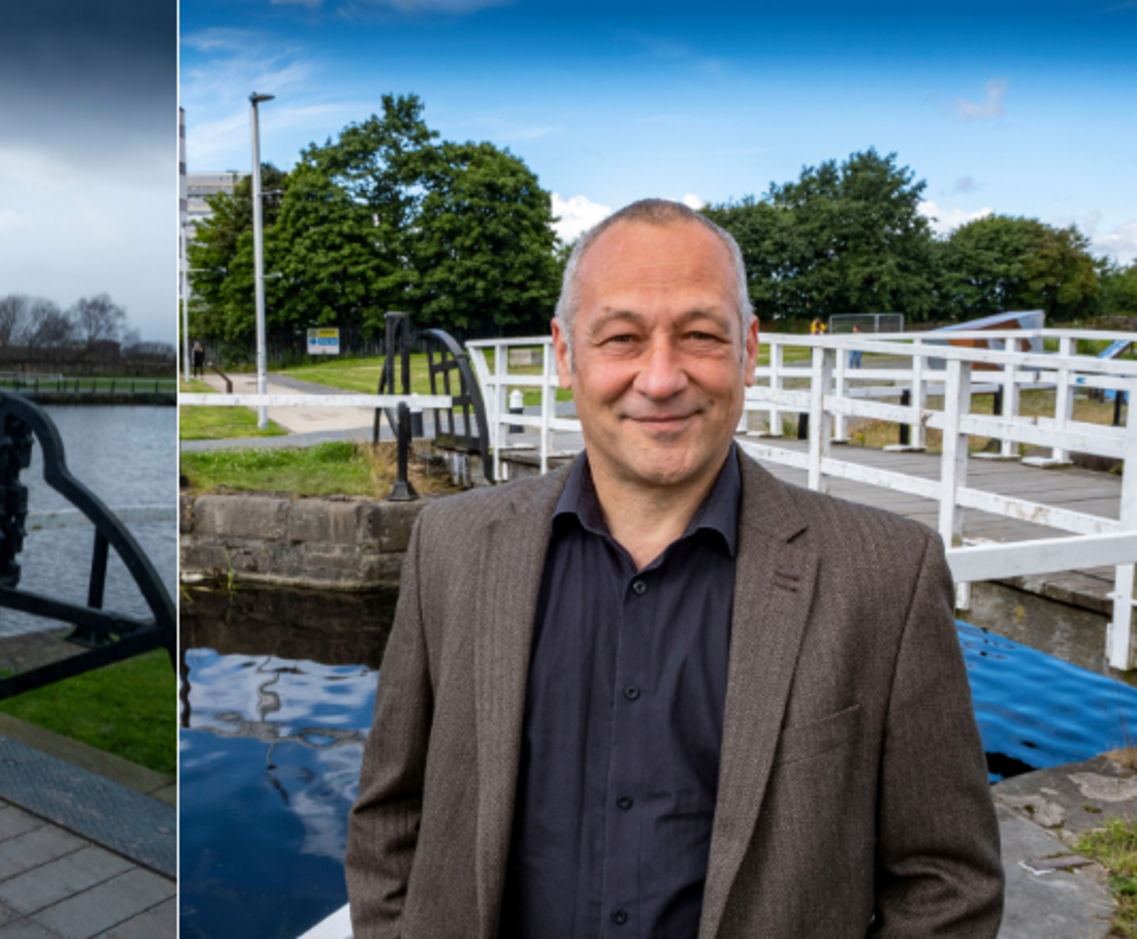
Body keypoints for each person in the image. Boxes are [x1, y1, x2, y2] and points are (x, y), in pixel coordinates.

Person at [345, 199, 1002, 937]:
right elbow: (391, 816)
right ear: (566, 355)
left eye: (699, 335)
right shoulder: (452, 546)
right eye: (622, 338)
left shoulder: (884, 576)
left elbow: (947, 881)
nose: (660, 378)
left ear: (749, 350)